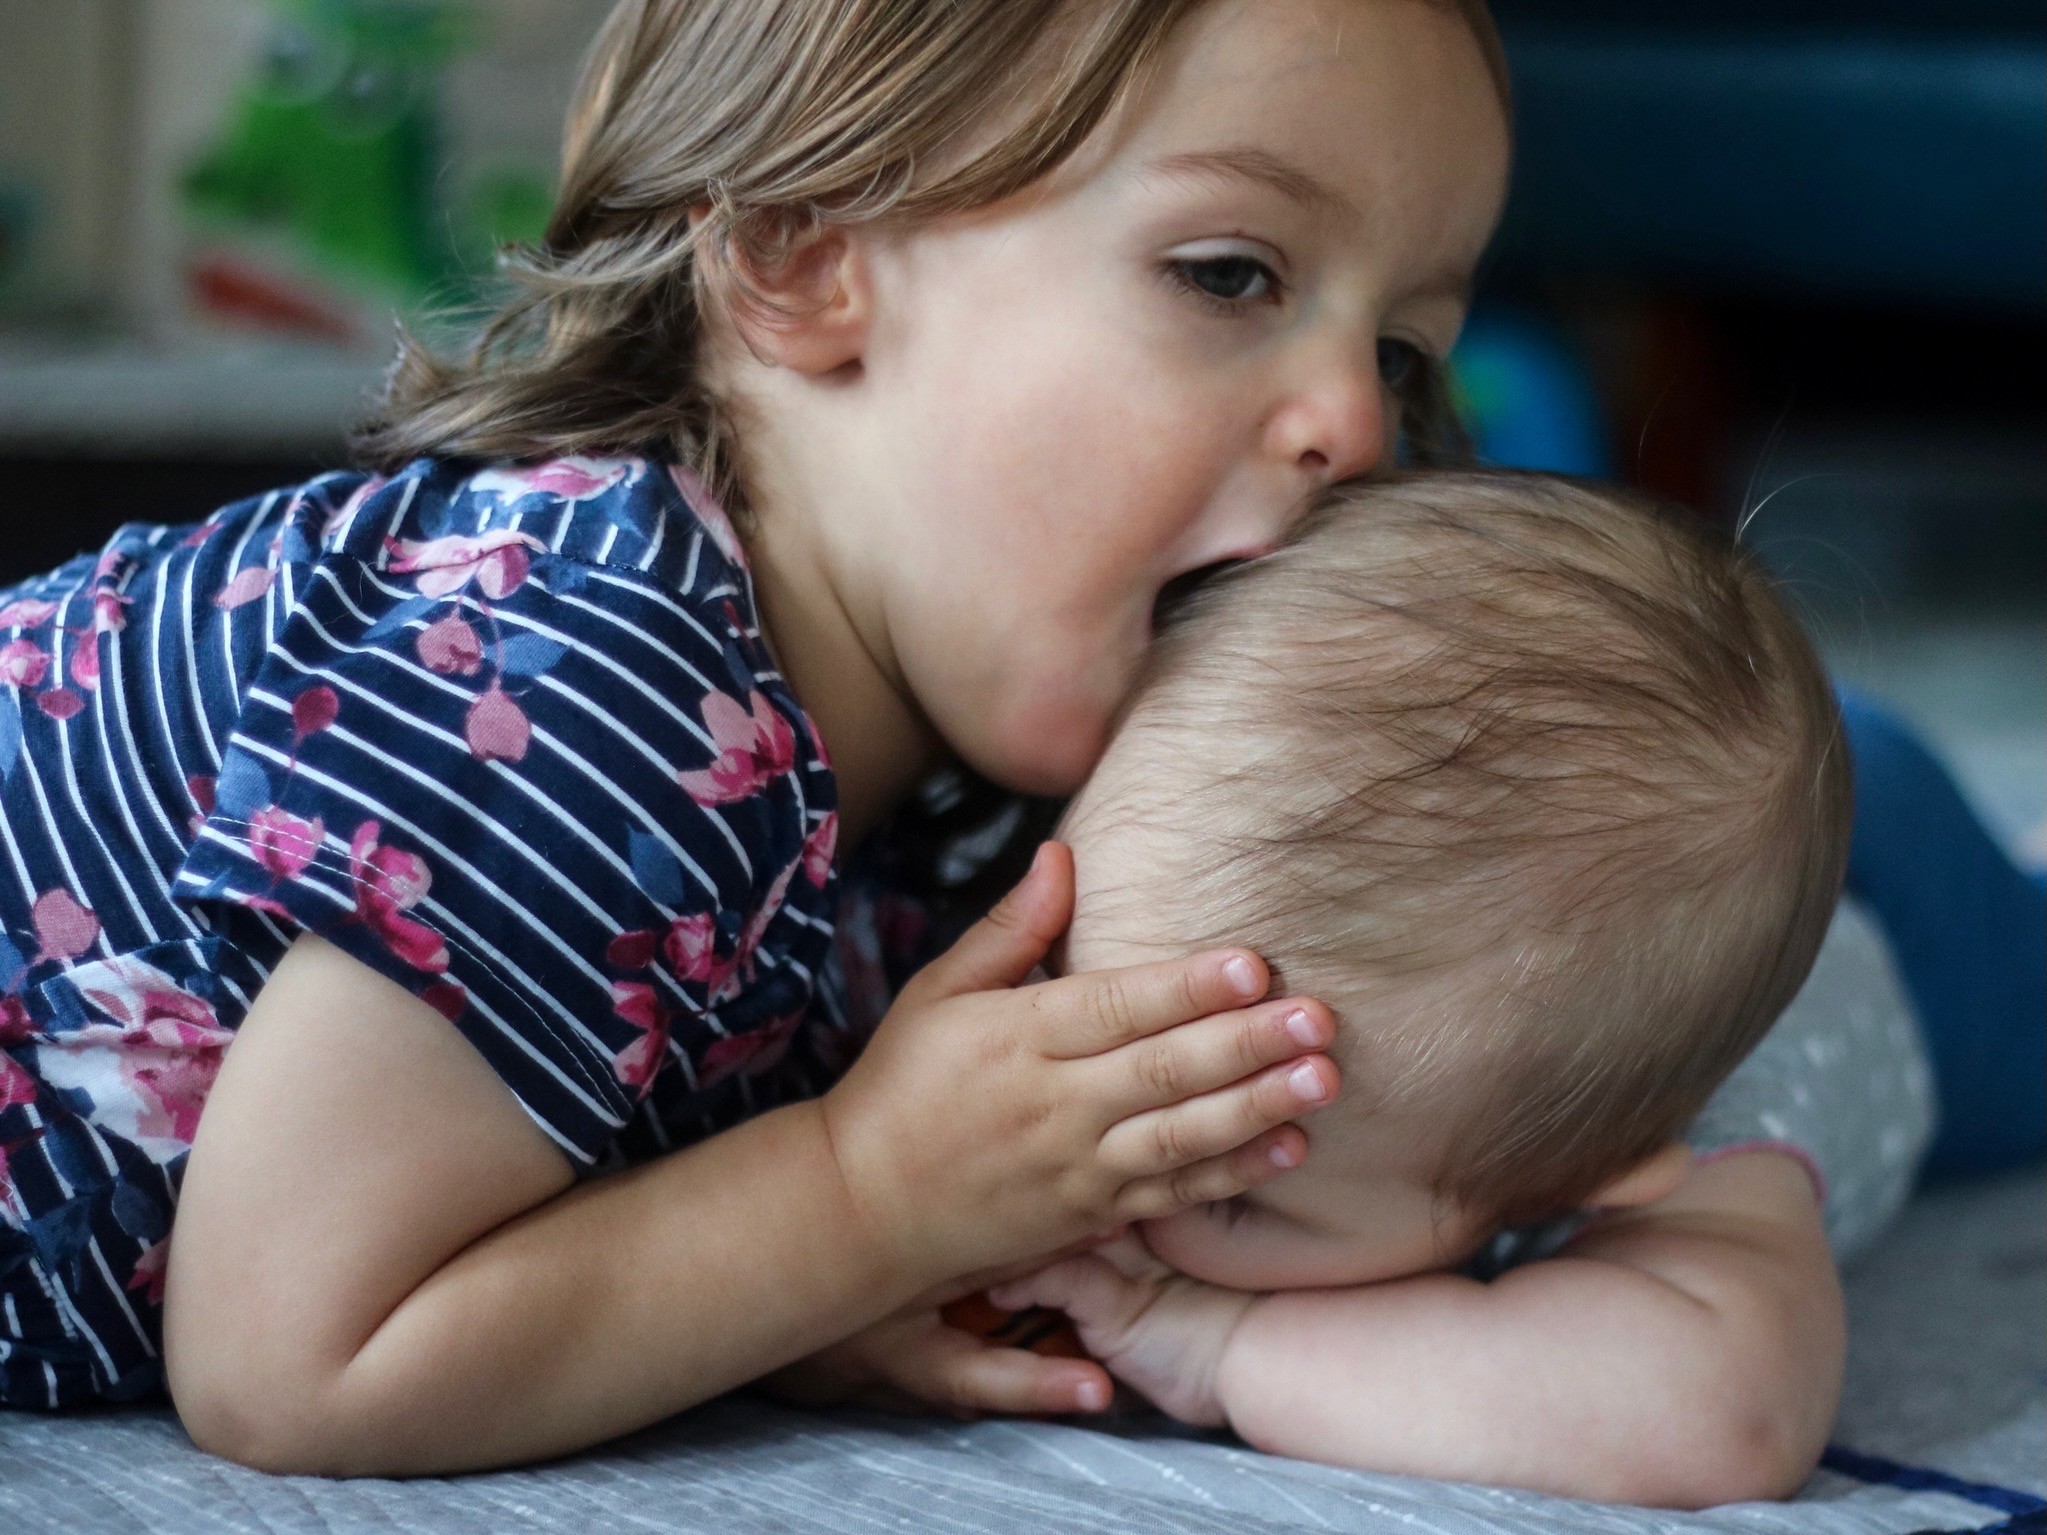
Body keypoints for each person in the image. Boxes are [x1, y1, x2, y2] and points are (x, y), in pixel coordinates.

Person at [0, 0, 1510, 1476]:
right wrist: (866, 1196)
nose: (1353, 427)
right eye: (1227, 272)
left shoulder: (918, 799)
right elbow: (287, 1359)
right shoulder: (594, 678)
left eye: (1397, 350)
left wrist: (769, 1296)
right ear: (802, 252)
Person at [966, 471, 1933, 1506]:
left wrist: (1227, 1344)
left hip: (1926, 923)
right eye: (1060, 977)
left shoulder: (1679, 1151)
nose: (1114, 1171)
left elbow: (1724, 1420)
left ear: (1586, 1179)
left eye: (1237, 1196)